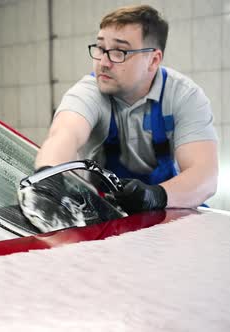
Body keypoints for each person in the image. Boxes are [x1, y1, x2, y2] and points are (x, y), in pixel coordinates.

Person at [18, 4, 218, 231]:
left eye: (119, 52)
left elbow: (205, 175)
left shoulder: (184, 96)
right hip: (110, 220)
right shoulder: (89, 91)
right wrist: (48, 177)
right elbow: (65, 135)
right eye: (101, 48)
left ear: (153, 60)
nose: (103, 61)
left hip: (171, 216)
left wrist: (156, 196)